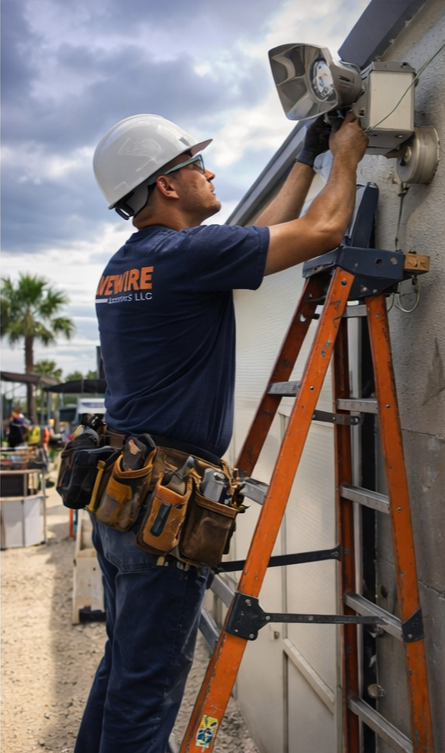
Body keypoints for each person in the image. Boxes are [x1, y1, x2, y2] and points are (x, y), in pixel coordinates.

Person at [75, 111, 368, 753]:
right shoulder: (187, 258)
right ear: (167, 187)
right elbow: (322, 229)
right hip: (160, 515)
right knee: (146, 693)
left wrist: (304, 158)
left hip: (121, 503)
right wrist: (346, 154)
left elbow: (249, 242)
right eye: (196, 163)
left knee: (121, 669)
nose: (210, 171)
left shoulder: (130, 266)